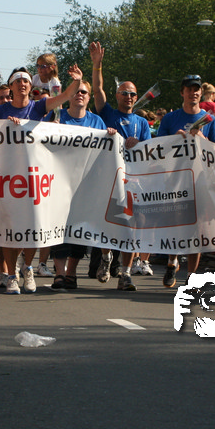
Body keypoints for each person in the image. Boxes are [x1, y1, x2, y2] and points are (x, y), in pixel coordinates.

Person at [0, 49, 84, 294]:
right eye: (17, 81)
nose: (22, 84)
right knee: (11, 229)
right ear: (11, 87)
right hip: (9, 176)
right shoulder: (0, 111)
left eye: (25, 80)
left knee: (32, 226)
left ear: (30, 85)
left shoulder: (39, 106)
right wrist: (6, 127)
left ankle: (28, 267)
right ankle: (11, 275)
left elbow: (65, 97)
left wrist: (76, 81)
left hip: (34, 176)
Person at [90, 41, 151, 292]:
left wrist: (139, 145)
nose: (129, 97)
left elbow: (150, 153)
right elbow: (96, 90)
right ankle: (106, 257)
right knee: (109, 223)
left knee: (132, 227)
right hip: (110, 180)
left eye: (133, 94)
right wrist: (97, 65)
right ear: (117, 96)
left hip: (134, 182)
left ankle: (125, 273)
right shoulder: (107, 113)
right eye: (124, 93)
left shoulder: (142, 123)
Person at [156, 74, 215, 287]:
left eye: (196, 89)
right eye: (189, 89)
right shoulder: (170, 119)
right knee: (176, 224)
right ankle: (172, 261)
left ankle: (192, 275)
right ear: (182, 92)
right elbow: (157, 147)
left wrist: (202, 139)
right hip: (175, 179)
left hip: (200, 180)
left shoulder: (210, 120)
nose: (193, 93)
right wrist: (174, 139)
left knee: (197, 227)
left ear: (201, 93)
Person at [50, 79, 117, 289]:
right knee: (58, 228)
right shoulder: (58, 117)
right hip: (60, 182)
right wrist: (51, 130)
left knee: (79, 230)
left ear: (89, 98)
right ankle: (59, 273)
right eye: (76, 91)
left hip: (86, 185)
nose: (80, 95)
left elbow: (105, 151)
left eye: (84, 92)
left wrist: (110, 136)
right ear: (69, 95)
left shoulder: (96, 121)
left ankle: (71, 273)